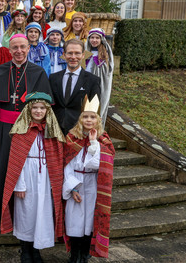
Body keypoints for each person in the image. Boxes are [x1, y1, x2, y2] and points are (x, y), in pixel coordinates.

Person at [0, 34, 52, 231]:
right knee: (0, 172)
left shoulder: (38, 73)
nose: (19, 51)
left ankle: (25, 222)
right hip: (3, 129)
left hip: (28, 130)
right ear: (9, 50)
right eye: (15, 48)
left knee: (25, 174)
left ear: (29, 48)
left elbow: (45, 106)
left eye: (22, 47)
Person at [0, 92, 65, 262]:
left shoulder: (53, 131)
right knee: (25, 212)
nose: (38, 111)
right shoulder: (21, 131)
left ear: (47, 110)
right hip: (26, 176)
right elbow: (16, 161)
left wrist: (55, 182)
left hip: (45, 179)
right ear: (29, 109)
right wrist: (19, 185)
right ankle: (26, 249)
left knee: (42, 212)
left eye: (42, 108)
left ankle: (37, 249)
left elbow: (57, 159)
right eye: (34, 107)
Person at [63, 95, 115, 261]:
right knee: (74, 220)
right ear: (80, 119)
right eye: (85, 116)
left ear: (98, 119)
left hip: (93, 184)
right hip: (75, 182)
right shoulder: (72, 137)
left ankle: (85, 254)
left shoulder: (103, 140)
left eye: (92, 117)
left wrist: (93, 144)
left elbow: (98, 165)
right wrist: (73, 188)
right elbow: (66, 165)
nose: (88, 120)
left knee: (89, 221)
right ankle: (74, 254)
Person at [49, 39, 101, 134]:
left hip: (79, 132)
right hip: (55, 130)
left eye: (77, 53)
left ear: (83, 55)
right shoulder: (53, 78)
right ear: (64, 55)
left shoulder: (93, 80)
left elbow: (94, 111)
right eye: (70, 53)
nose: (73, 57)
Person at [85, 28, 114, 128]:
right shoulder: (85, 51)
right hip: (85, 84)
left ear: (101, 39)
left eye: (97, 38)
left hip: (99, 84)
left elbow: (108, 71)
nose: (94, 40)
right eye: (92, 37)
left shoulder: (105, 53)